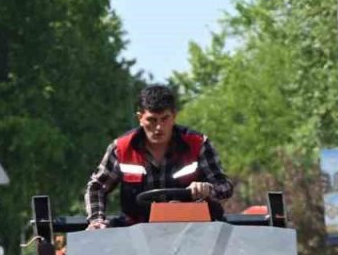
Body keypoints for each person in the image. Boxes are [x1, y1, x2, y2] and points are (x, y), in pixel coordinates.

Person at [85, 85, 233, 229]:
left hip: (194, 228)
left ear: (174, 116)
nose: (158, 127)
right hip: (136, 230)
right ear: (140, 118)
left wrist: (208, 189)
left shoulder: (198, 144)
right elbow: (97, 187)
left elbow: (225, 187)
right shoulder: (122, 149)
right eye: (152, 120)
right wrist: (97, 220)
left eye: (164, 119)